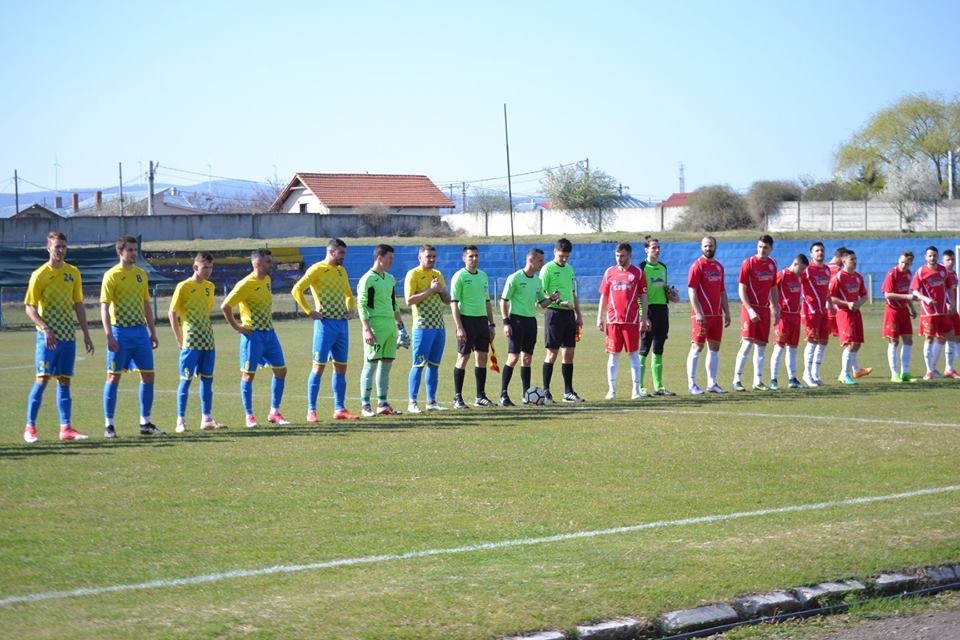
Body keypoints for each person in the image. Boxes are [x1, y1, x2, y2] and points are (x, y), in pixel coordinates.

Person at [23, 231, 96, 443]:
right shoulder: (39, 275)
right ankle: (30, 427)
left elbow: (78, 304)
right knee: (42, 379)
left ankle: (66, 428)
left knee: (64, 381)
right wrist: (45, 328)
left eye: (64, 246)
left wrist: (86, 334)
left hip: (68, 337)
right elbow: (29, 307)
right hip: (47, 338)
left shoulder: (73, 273)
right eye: (57, 247)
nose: (61, 250)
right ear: (48, 248)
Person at [100, 235, 163, 437]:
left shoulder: (141, 275)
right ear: (120, 252)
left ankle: (145, 423)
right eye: (130, 250)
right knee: (113, 376)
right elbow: (104, 307)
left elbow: (146, 305)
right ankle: (109, 425)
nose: (134, 253)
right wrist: (109, 335)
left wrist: (153, 332)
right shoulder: (111, 275)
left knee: (148, 375)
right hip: (120, 332)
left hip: (140, 333)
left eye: (136, 250)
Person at [292, 238, 360, 422]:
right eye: (341, 253)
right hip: (324, 325)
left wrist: (350, 308)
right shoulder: (317, 269)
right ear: (331, 252)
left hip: (341, 325)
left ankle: (340, 409)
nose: (344, 257)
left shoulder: (341, 271)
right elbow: (297, 290)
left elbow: (348, 294)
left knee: (341, 368)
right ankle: (311, 410)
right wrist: (309, 311)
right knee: (318, 367)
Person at [221, 249, 289, 428]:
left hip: (270, 334)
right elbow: (225, 306)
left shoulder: (267, 280)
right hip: (253, 335)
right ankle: (249, 415)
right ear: (257, 264)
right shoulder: (245, 284)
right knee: (248, 375)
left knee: (281, 371)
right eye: (268, 262)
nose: (271, 265)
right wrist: (237, 327)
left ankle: (274, 412)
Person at [168, 251, 226, 433]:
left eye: (211, 267)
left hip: (208, 339)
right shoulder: (183, 286)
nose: (208, 271)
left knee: (207, 380)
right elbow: (172, 313)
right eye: (205, 267)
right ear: (195, 267)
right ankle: (180, 421)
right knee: (185, 380)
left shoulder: (210, 286)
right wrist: (179, 338)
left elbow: (206, 311)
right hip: (191, 340)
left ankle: (206, 419)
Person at [499, 248, 557, 406]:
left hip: (531, 322)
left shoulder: (537, 281)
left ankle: (526, 395)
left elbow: (542, 303)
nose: (542, 264)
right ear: (531, 260)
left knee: (527, 359)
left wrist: (551, 299)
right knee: (513, 358)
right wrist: (506, 322)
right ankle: (503, 394)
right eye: (540, 260)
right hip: (516, 321)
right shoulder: (515, 278)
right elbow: (503, 301)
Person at [357, 244, 405, 416]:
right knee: (370, 365)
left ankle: (382, 404)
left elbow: (394, 304)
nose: (392, 261)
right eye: (389, 258)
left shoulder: (390, 279)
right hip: (375, 327)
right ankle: (365, 405)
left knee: (386, 365)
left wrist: (401, 328)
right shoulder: (367, 279)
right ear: (379, 258)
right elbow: (362, 305)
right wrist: (366, 329)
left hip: (390, 327)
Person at [597, 242, 649, 400]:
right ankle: (611, 390)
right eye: (617, 255)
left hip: (631, 321)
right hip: (613, 321)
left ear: (630, 255)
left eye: (622, 256)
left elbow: (643, 296)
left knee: (633, 355)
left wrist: (644, 317)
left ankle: (636, 390)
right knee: (613, 356)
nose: (619, 259)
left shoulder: (638, 273)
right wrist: (600, 317)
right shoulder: (609, 272)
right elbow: (604, 296)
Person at [404, 244, 451, 413]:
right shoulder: (413, 274)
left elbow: (447, 300)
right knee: (418, 364)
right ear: (420, 257)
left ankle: (431, 401)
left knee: (434, 365)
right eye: (428, 256)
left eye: (433, 256)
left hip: (439, 326)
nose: (431, 259)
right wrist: (430, 290)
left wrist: (443, 291)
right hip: (423, 326)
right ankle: (412, 402)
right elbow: (409, 301)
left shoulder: (437, 274)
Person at [450, 245, 496, 409]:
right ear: (464, 258)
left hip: (481, 321)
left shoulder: (483, 276)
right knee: (463, 357)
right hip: (466, 320)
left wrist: (491, 324)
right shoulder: (459, 276)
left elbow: (487, 301)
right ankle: (457, 397)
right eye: (471, 256)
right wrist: (459, 327)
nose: (474, 258)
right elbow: (454, 303)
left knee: (482, 358)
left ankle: (480, 396)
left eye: (476, 255)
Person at [540, 237, 585, 403]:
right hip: (553, 313)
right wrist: (558, 302)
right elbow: (542, 293)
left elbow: (573, 293)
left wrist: (578, 314)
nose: (564, 259)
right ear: (555, 252)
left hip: (569, 315)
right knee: (552, 353)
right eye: (561, 256)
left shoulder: (569, 269)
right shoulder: (547, 269)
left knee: (569, 353)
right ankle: (546, 391)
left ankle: (568, 392)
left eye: (567, 256)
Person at [732, 235, 780, 391]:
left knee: (761, 346)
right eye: (760, 246)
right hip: (750, 308)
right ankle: (737, 379)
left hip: (764, 309)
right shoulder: (748, 263)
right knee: (747, 343)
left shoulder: (772, 264)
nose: (762, 250)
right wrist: (750, 310)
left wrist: (775, 307)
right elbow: (741, 289)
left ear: (771, 248)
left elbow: (773, 287)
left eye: (765, 247)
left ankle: (757, 381)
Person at [686, 236, 731, 394]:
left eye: (710, 246)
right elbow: (692, 290)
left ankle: (712, 383)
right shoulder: (697, 266)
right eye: (705, 246)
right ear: (701, 247)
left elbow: (722, 291)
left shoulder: (719, 267)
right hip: (701, 316)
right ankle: (692, 384)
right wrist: (698, 312)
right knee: (697, 347)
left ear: (715, 247)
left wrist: (727, 312)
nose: (708, 248)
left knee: (714, 348)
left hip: (716, 316)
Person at [637, 236, 679, 396]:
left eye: (658, 247)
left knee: (659, 349)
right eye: (653, 247)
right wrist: (643, 315)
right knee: (644, 349)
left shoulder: (663, 267)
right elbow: (638, 294)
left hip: (662, 311)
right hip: (648, 311)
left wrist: (670, 293)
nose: (657, 250)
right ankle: (639, 387)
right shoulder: (642, 267)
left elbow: (663, 289)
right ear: (646, 250)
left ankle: (659, 387)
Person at [911, 246, 956, 380]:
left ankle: (949, 368)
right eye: (930, 256)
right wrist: (925, 299)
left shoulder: (943, 270)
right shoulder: (921, 272)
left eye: (934, 255)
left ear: (937, 256)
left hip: (943, 311)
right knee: (929, 339)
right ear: (926, 257)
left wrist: (952, 302)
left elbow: (949, 287)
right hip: (929, 312)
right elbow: (915, 291)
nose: (932, 258)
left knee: (951, 335)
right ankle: (929, 371)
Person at [880, 251, 925, 382]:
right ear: (898, 260)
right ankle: (894, 374)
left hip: (903, 310)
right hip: (892, 311)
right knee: (894, 341)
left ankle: (905, 372)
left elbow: (906, 292)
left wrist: (912, 308)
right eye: (902, 262)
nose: (903, 265)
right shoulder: (892, 273)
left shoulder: (909, 274)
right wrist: (907, 297)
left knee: (908, 340)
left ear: (911, 263)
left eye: (907, 263)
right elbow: (887, 295)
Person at [829, 249, 869, 385]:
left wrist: (859, 303)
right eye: (852, 259)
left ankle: (852, 372)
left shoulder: (858, 277)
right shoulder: (838, 277)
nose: (855, 261)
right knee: (850, 344)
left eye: (855, 259)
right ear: (844, 261)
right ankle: (844, 374)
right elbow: (831, 297)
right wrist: (847, 304)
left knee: (857, 344)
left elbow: (864, 295)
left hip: (856, 312)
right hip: (844, 313)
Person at [769, 253, 808, 390]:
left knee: (793, 349)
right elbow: (771, 291)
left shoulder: (799, 277)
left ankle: (792, 379)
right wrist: (774, 308)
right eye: (801, 269)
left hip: (796, 316)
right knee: (779, 348)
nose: (802, 272)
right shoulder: (782, 275)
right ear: (795, 264)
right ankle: (773, 379)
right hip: (784, 317)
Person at [800, 241, 834, 387]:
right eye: (817, 251)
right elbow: (796, 282)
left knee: (823, 341)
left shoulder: (827, 269)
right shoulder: (807, 270)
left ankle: (815, 373)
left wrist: (830, 303)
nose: (820, 253)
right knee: (812, 341)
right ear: (811, 254)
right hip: (811, 311)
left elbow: (826, 289)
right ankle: (807, 374)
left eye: (822, 250)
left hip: (823, 310)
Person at [941, 249, 959, 377]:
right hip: (944, 310)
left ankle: (948, 368)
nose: (951, 262)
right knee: (940, 339)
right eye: (948, 259)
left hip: (954, 309)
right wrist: (947, 303)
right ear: (943, 260)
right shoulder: (941, 274)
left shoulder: (954, 274)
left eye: (952, 259)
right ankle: (931, 369)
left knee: (956, 336)